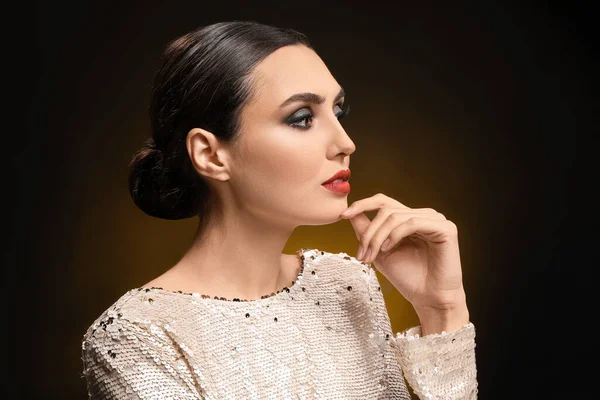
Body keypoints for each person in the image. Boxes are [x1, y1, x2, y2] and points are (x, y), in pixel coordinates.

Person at [81, 20, 478, 399]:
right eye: (302, 118)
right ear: (211, 155)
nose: (345, 142)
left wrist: (440, 309)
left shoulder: (345, 285)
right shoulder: (138, 335)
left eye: (338, 112)